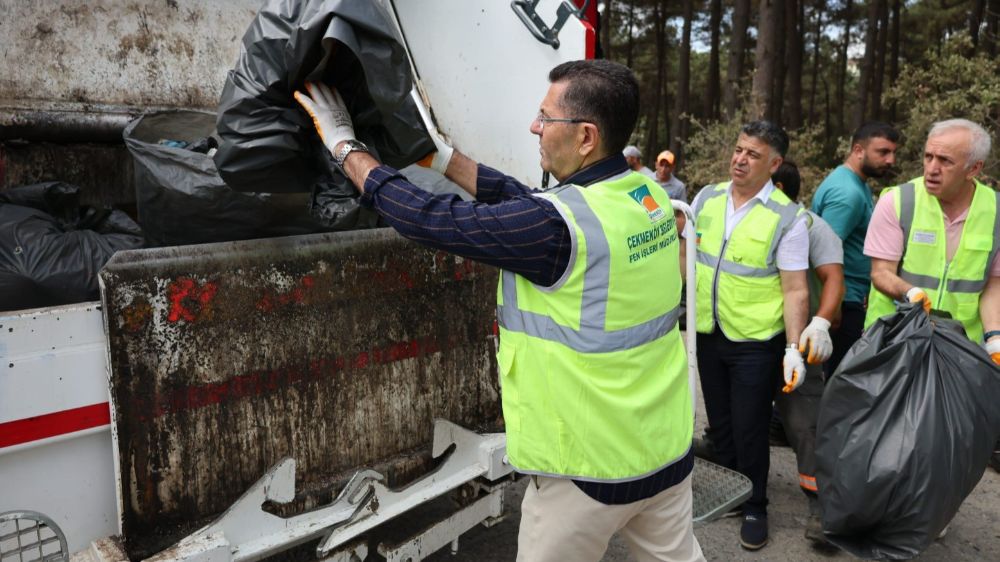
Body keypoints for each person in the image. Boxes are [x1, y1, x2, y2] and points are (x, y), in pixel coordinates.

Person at [295, 60, 704, 562]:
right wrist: (444, 159)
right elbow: (532, 204)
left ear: (585, 137)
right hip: (664, 455)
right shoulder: (647, 198)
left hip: (587, 476)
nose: (534, 126)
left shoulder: (559, 230)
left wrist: (346, 149)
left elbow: (428, 219)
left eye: (545, 117)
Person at [690, 121, 809, 551]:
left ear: (774, 164)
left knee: (750, 426)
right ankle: (733, 494)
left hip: (757, 342)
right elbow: (688, 258)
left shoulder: (787, 217)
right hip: (708, 330)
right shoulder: (706, 197)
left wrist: (794, 348)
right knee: (720, 424)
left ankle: (756, 504)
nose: (740, 159)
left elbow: (796, 288)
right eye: (738, 150)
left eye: (752, 154)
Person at [863, 118, 1000, 357]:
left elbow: (993, 285)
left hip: (961, 349)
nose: (932, 169)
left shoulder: (995, 211)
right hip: (894, 342)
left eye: (945, 161)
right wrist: (911, 293)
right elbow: (880, 272)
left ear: (974, 169)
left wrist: (994, 337)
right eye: (928, 157)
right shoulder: (898, 202)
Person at [770, 161, 845, 545]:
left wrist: (820, 323)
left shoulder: (813, 226)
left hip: (797, 342)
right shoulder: (738, 218)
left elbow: (834, 280)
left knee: (806, 424)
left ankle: (821, 508)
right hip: (750, 339)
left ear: (778, 186)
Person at [811, 122, 899, 378]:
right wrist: (833, 307)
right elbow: (824, 251)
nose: (890, 160)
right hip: (845, 304)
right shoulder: (847, 192)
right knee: (841, 379)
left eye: (893, 152)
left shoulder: (855, 183)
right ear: (859, 150)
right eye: (883, 152)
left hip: (849, 298)